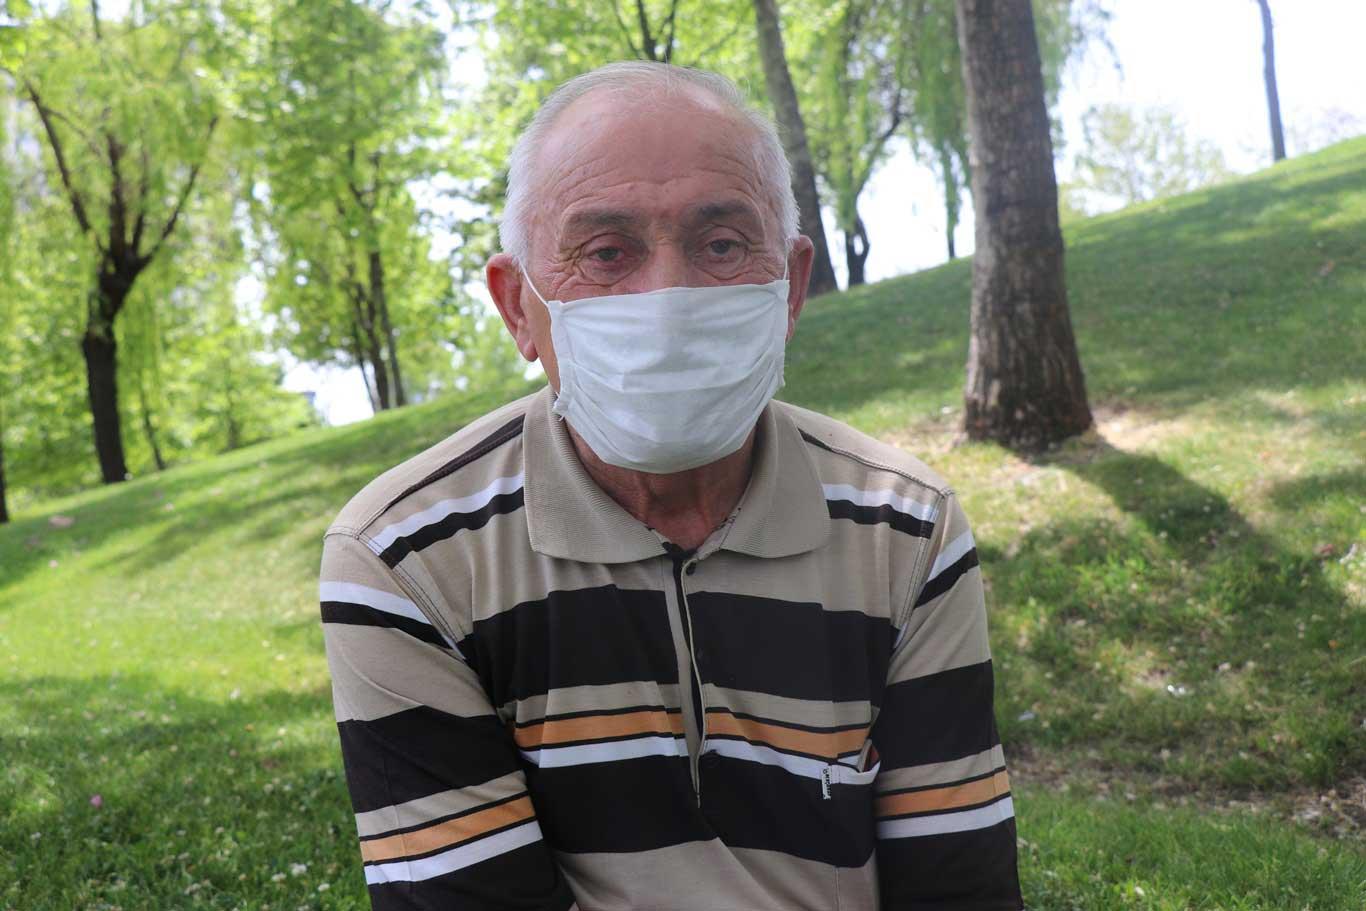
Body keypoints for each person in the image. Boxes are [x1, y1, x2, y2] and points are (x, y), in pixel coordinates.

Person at [318, 61, 1022, 911]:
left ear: (791, 286)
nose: (668, 301)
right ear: (516, 307)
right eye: (606, 253)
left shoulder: (906, 527)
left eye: (720, 245)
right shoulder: (405, 559)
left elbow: (958, 889)